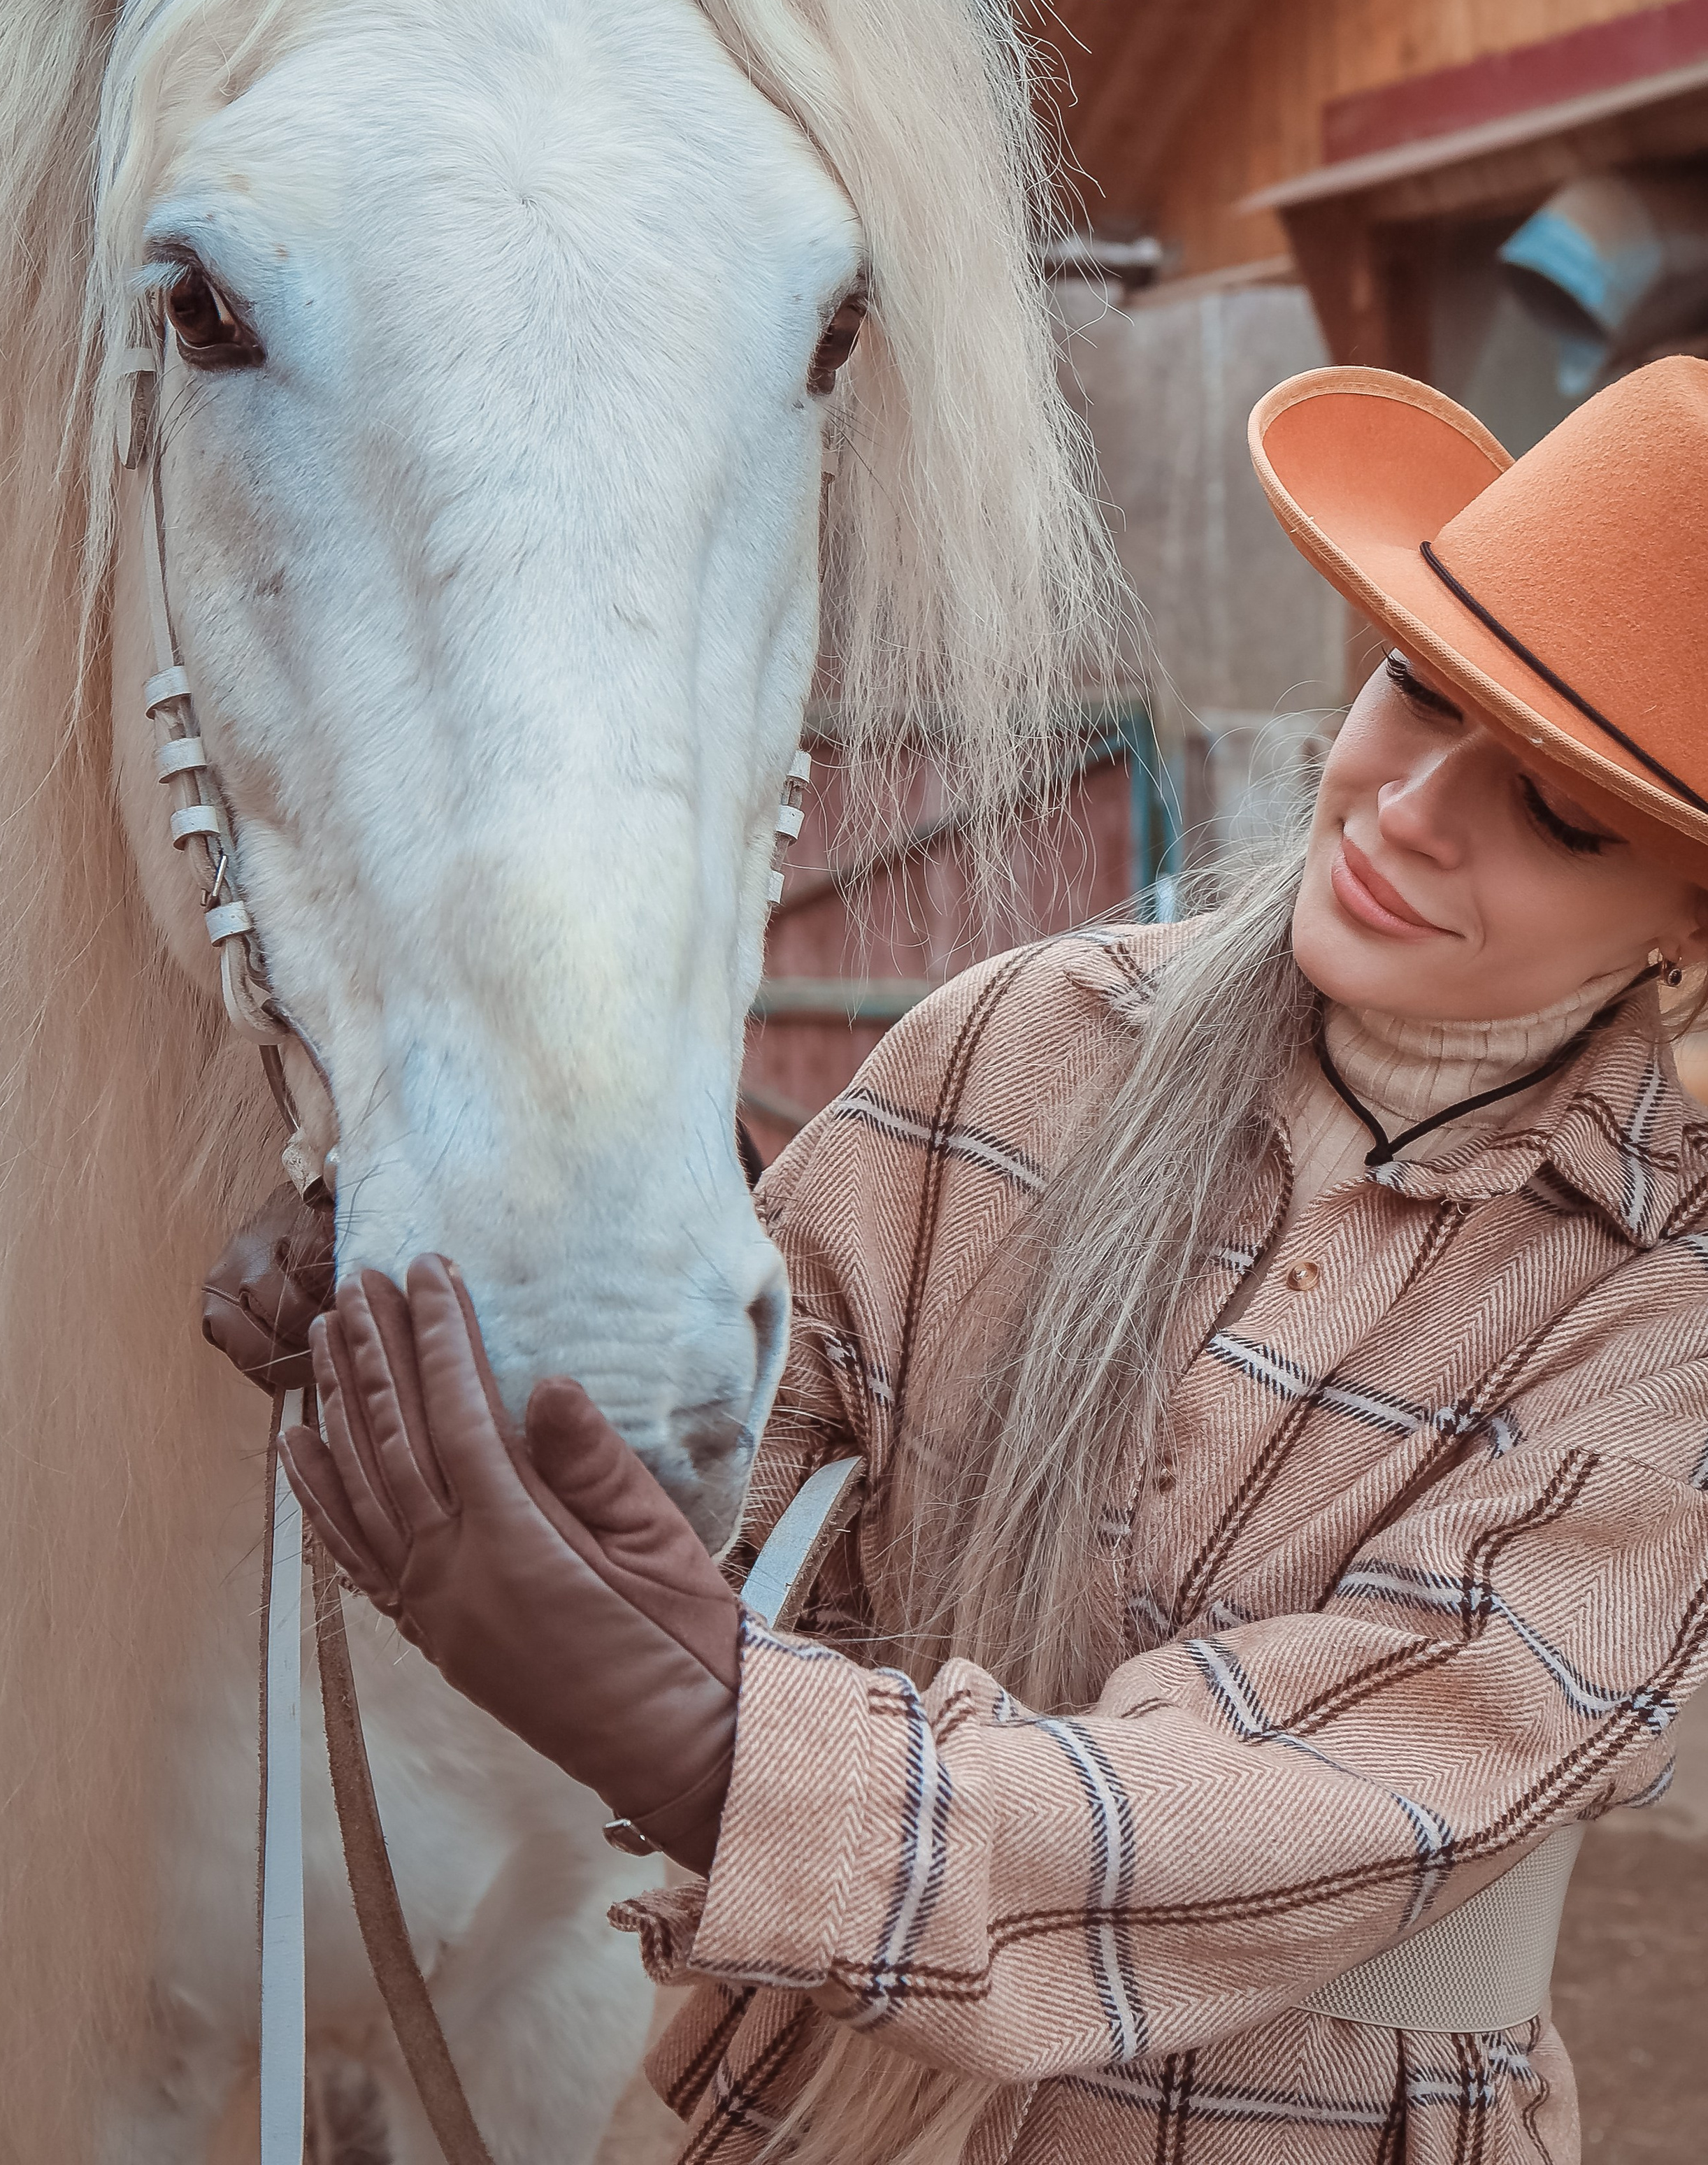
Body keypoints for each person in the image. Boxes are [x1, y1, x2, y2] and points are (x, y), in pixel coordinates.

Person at [207, 353, 1708, 2163]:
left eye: (1556, 808)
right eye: (1418, 689)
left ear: (1684, 927)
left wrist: (710, 1745)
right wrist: (438, 1334)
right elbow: (711, 1480)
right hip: (829, 2108)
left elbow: (1321, 1803)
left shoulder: (1661, 1339)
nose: (1407, 805)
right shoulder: (1025, 1039)